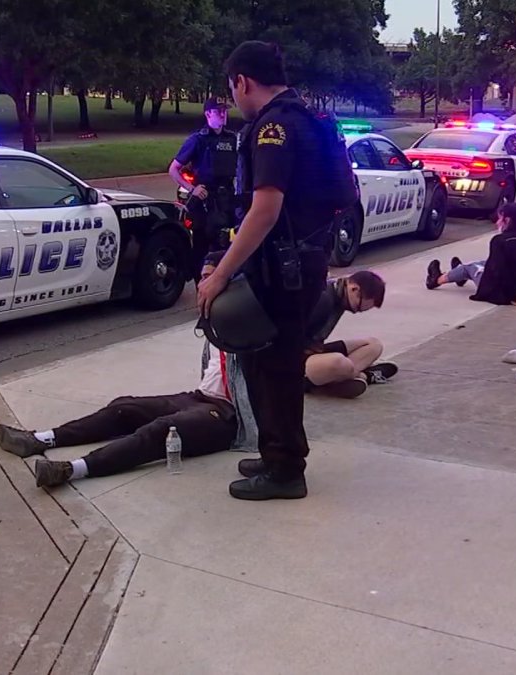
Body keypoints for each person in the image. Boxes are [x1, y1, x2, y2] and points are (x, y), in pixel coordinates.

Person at [196, 41, 359, 500]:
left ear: (243, 82)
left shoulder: (273, 129)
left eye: (232, 89)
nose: (233, 100)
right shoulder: (307, 119)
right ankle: (275, 453)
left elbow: (265, 209)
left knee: (277, 367)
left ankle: (286, 470)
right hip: (303, 262)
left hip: (283, 270)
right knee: (269, 362)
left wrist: (222, 272)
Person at [0, 335, 250, 488]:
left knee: (163, 429)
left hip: (229, 416)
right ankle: (40, 439)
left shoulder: (256, 330)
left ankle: (73, 469)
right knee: (124, 408)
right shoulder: (216, 325)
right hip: (198, 397)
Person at [169, 98, 239, 282]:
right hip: (206, 201)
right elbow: (174, 169)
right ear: (208, 114)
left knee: (226, 243)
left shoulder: (233, 139)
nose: (223, 115)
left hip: (227, 199)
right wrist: (192, 189)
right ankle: (202, 286)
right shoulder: (198, 139)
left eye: (225, 111)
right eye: (218, 111)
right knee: (201, 247)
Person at [425, 201, 516, 306]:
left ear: (507, 220)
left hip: (499, 293)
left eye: (499, 219)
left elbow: (497, 271)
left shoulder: (499, 241)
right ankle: (458, 273)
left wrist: (511, 296)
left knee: (471, 267)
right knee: (482, 263)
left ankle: (437, 279)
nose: (497, 222)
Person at [303, 270, 397, 399]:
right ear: (354, 289)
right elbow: (290, 339)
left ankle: (338, 378)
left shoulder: (339, 296)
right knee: (338, 362)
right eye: (358, 307)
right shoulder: (323, 299)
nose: (358, 312)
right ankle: (365, 376)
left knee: (374, 345)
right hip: (294, 359)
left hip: (314, 350)